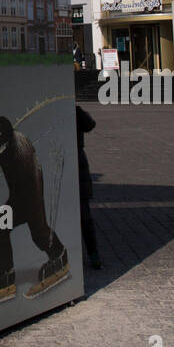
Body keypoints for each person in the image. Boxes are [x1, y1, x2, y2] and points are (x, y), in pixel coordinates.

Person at [76, 104, 101, 268]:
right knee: (84, 216)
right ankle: (93, 254)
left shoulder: (74, 111)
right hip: (77, 163)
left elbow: (90, 124)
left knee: (84, 216)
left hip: (76, 166)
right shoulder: (74, 110)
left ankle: (93, 254)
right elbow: (90, 124)